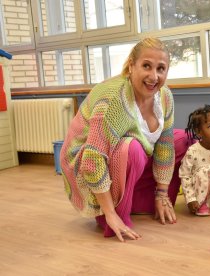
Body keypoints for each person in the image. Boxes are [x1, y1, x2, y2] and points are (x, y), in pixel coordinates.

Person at [60, 37, 190, 242]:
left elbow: (164, 145)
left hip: (127, 160)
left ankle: (143, 201)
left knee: (181, 139)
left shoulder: (165, 96)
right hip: (87, 163)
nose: (153, 76)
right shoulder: (113, 99)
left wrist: (162, 193)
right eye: (146, 66)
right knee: (132, 149)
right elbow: (92, 160)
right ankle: (111, 212)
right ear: (131, 66)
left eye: (161, 68)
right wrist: (109, 213)